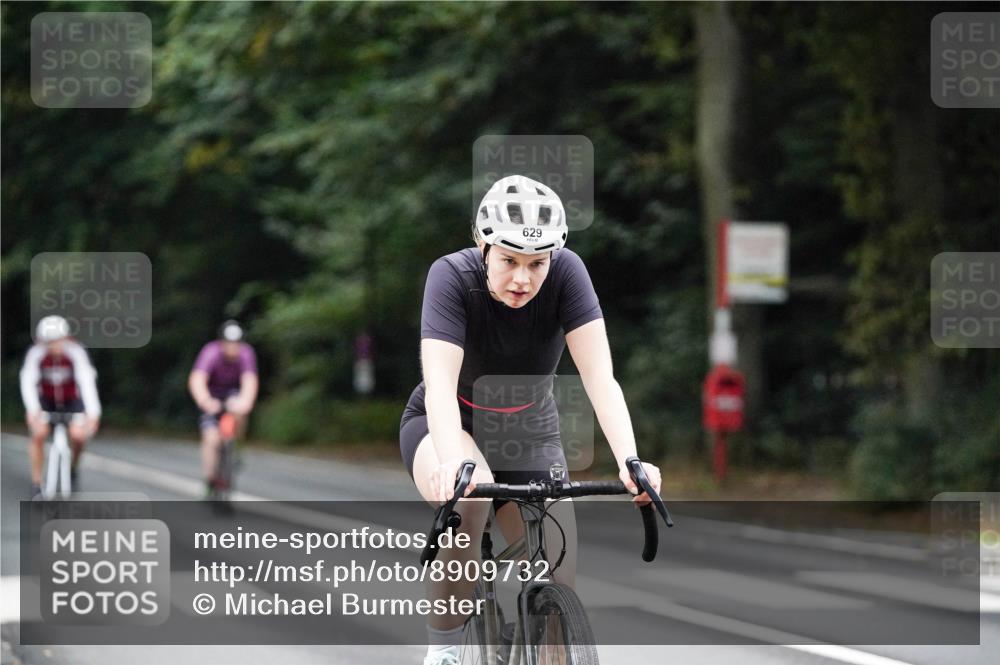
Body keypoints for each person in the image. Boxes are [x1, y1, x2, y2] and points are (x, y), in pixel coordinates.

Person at [399, 174, 662, 664]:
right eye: (509, 261)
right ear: (482, 246)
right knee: (470, 504)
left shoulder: (568, 274)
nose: (523, 278)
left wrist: (631, 460)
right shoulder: (450, 277)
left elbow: (600, 377)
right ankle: (446, 651)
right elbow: (438, 385)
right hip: (451, 422)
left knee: (558, 574)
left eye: (536, 263)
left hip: (530, 428)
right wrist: (455, 463)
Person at [19, 315, 101, 497]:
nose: (53, 346)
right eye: (48, 342)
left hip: (72, 401)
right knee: (38, 434)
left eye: (56, 341)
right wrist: (32, 410)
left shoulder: (76, 353)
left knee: (78, 436)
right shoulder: (36, 354)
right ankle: (37, 482)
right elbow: (28, 381)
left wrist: (93, 414)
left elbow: (87, 383)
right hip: (46, 401)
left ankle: (73, 467)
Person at [188, 320, 259, 496]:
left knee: (239, 413)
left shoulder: (246, 353)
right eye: (229, 343)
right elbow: (197, 379)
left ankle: (237, 447)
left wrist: (246, 402)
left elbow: (250, 380)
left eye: (236, 344)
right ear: (221, 342)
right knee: (211, 439)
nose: (233, 348)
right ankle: (209, 480)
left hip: (233, 396)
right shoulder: (210, 352)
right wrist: (204, 400)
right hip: (212, 397)